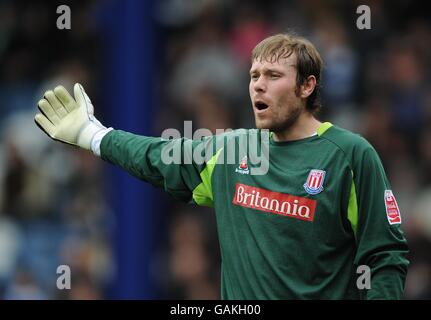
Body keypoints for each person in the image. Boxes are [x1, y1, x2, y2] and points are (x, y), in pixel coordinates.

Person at [34, 33, 409, 299]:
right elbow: (158, 157)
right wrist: (91, 135)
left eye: (273, 76)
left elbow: (385, 257)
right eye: (254, 76)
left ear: (307, 86)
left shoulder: (350, 155)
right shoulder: (233, 151)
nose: (258, 86)